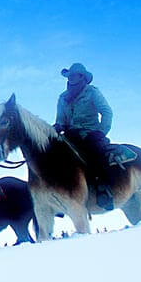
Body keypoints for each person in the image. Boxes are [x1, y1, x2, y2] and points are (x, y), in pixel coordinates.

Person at [53, 63, 114, 210]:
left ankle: (102, 189)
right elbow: (60, 120)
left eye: (75, 75)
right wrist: (58, 126)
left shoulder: (92, 92)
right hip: (70, 135)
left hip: (90, 134)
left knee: (94, 154)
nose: (71, 78)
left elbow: (107, 112)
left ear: (82, 77)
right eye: (69, 76)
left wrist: (100, 132)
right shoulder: (62, 98)